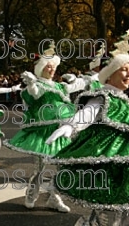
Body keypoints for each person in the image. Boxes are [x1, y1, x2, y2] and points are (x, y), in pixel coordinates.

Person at [46, 35, 129, 225]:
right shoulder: (104, 96)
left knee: (122, 204)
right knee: (106, 204)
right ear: (110, 74)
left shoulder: (125, 100)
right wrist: (70, 125)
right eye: (123, 70)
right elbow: (88, 112)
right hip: (103, 155)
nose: (128, 74)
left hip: (124, 159)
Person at [3, 41, 95, 213]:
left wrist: (85, 78)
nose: (51, 69)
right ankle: (32, 193)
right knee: (40, 167)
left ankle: (54, 198)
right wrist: (31, 83)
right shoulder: (38, 84)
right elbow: (34, 94)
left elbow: (81, 85)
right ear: (41, 68)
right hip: (42, 131)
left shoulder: (60, 86)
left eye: (53, 66)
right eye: (48, 66)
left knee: (61, 166)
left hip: (61, 129)